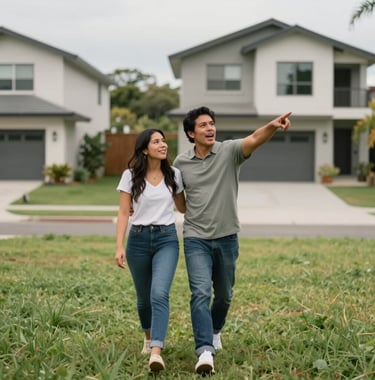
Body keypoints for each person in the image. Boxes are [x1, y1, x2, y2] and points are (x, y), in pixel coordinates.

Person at [173, 106, 291, 375]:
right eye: (203, 125)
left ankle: (215, 330)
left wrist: (272, 125)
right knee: (200, 293)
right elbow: (180, 204)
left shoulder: (229, 151)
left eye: (212, 123)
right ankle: (204, 350)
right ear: (191, 133)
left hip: (227, 236)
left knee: (224, 295)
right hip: (195, 238)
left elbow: (254, 139)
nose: (210, 128)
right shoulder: (181, 163)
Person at [115, 128, 186, 372]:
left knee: (159, 294)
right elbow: (124, 212)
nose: (163, 145)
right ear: (145, 149)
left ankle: (156, 350)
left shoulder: (174, 175)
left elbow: (184, 207)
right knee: (144, 299)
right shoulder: (130, 175)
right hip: (138, 240)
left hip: (167, 239)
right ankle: (147, 337)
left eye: (164, 141)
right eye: (156, 141)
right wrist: (119, 246)